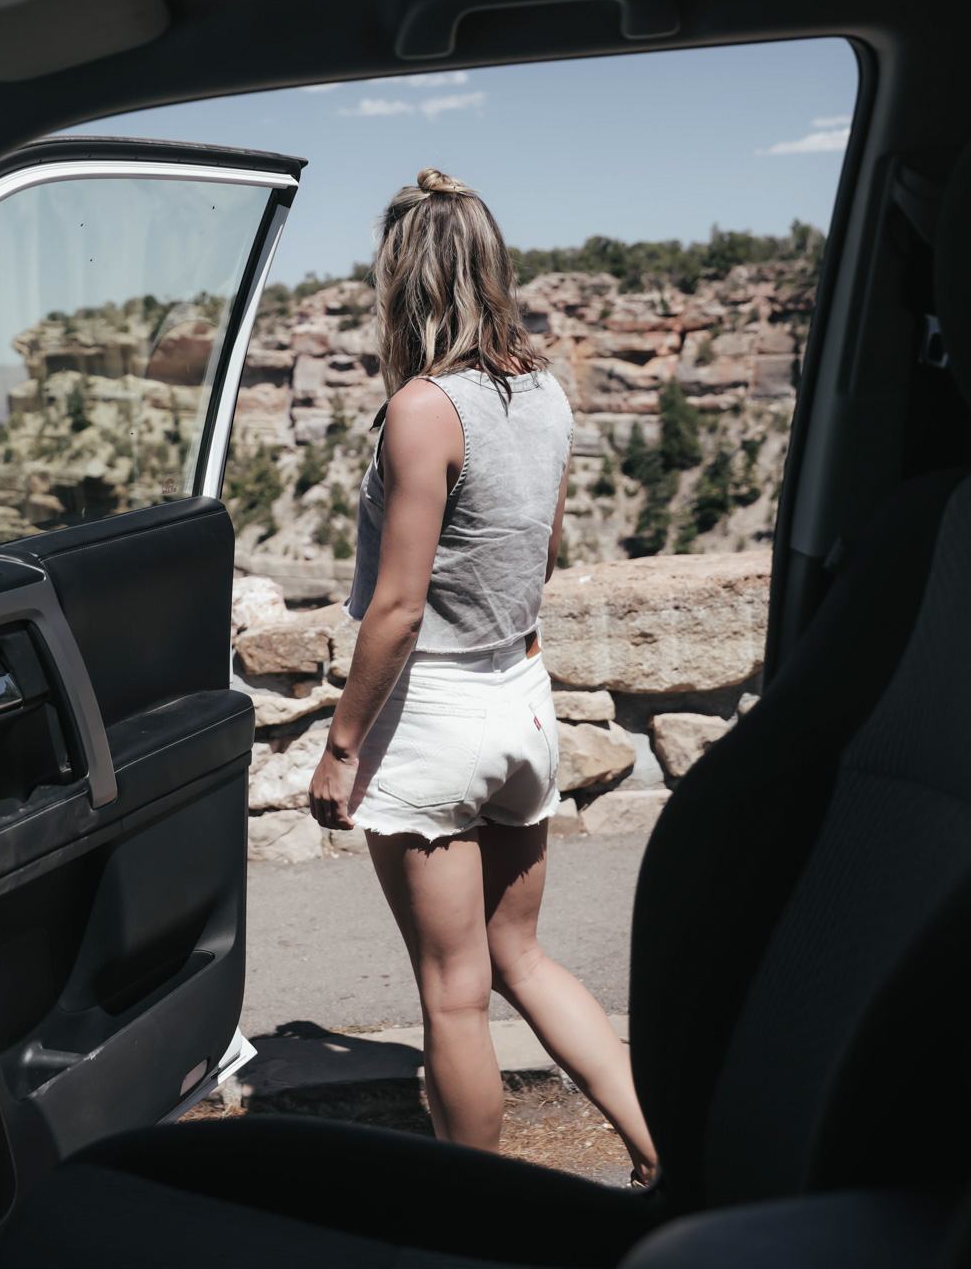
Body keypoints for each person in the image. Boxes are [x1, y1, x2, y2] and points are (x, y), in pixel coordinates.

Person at [308, 167, 657, 1182]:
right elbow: (542, 551)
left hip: (436, 718)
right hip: (522, 703)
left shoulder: (423, 407)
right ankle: (660, 1149)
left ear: (400, 282)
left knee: (454, 992)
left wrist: (340, 748)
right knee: (524, 959)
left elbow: (398, 608)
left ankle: (474, 1220)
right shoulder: (545, 392)